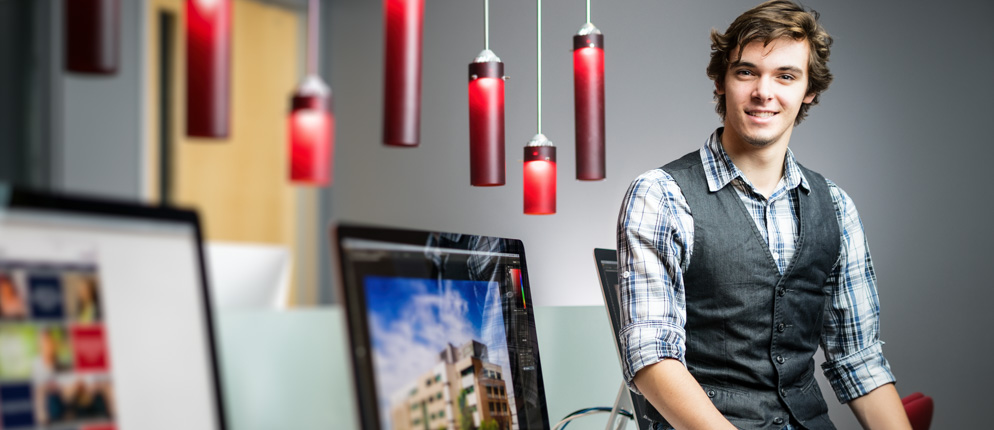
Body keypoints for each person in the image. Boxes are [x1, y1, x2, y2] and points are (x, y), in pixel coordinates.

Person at [616, 1, 912, 429]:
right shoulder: (660, 196)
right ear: (721, 81)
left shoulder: (836, 206)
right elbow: (650, 357)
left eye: (786, 76)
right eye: (746, 71)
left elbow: (859, 359)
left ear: (809, 90)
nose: (763, 92)